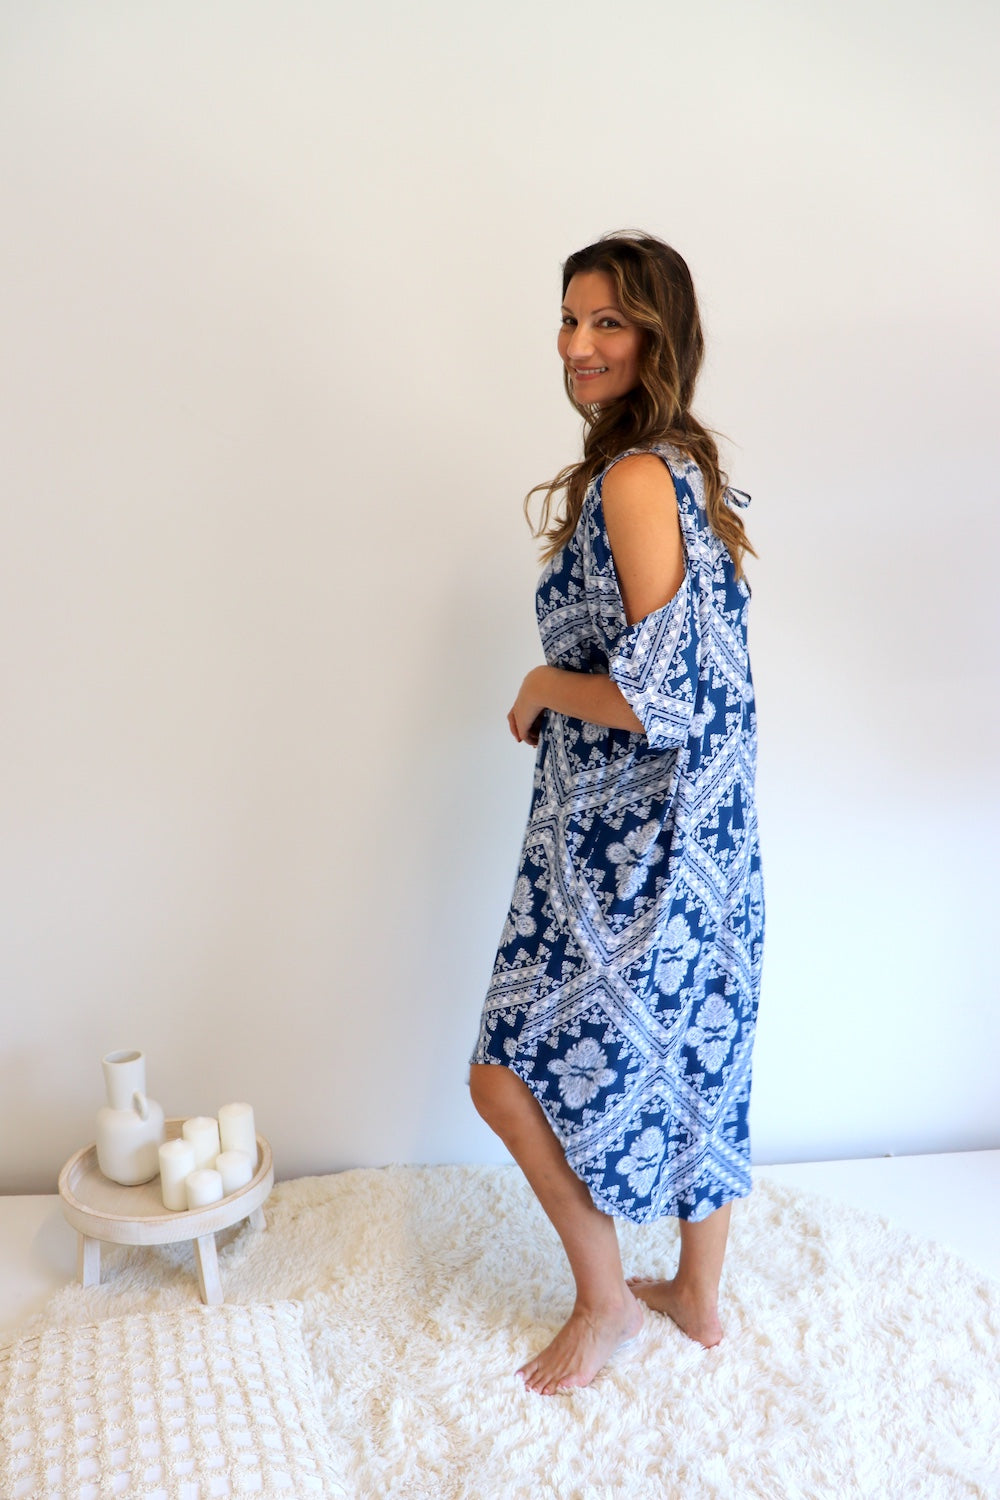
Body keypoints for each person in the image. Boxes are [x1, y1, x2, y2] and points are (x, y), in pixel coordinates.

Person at [469, 232, 764, 1396]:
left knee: (504, 1073)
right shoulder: (679, 468)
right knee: (699, 1047)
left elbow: (664, 698)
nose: (577, 344)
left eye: (607, 322)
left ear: (657, 336)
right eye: (569, 317)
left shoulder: (638, 478)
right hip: (699, 834)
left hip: (632, 841)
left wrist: (544, 685)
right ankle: (696, 1297)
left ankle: (608, 1306)